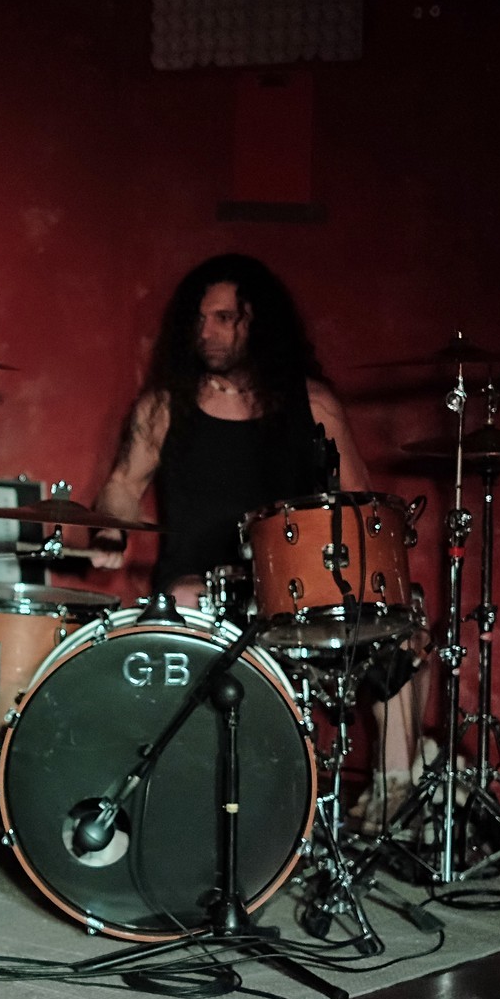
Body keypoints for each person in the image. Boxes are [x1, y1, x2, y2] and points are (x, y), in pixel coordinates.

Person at [89, 254, 427, 819]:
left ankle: (396, 789)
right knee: (181, 598)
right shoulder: (165, 407)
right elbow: (123, 485)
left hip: (287, 592)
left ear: (258, 323)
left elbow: (359, 506)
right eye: (200, 319)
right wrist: (110, 528)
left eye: (225, 318)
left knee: (391, 622)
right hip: (196, 589)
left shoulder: (311, 404)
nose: (207, 332)